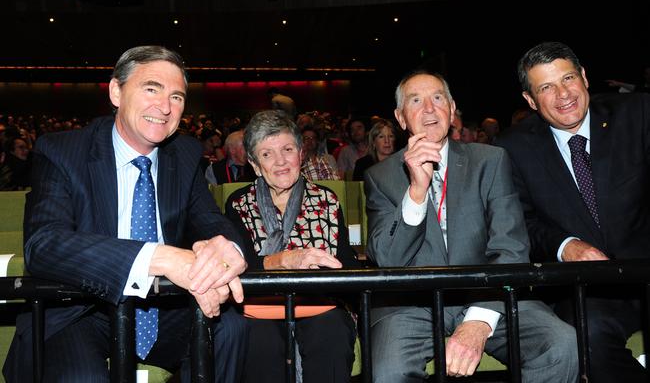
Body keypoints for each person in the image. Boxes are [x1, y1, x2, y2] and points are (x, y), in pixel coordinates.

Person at [3, 46, 248, 383]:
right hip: (83, 307)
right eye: (151, 89)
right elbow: (45, 244)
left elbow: (212, 222)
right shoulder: (61, 150)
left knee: (231, 327)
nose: (164, 108)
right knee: (82, 377)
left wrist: (226, 252)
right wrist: (158, 258)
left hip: (165, 308)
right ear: (116, 91)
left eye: (177, 97)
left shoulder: (186, 154)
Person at [365, 69, 578, 382]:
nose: (428, 108)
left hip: (489, 291)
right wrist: (416, 192)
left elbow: (511, 246)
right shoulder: (380, 176)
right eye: (416, 100)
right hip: (412, 304)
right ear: (400, 117)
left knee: (560, 344)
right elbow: (387, 260)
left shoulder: (490, 161)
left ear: (451, 110)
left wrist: (479, 321)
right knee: (388, 371)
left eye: (438, 98)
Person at [496, 41, 650, 383]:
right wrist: (566, 245)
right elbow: (522, 223)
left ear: (584, 77)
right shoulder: (513, 148)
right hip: (585, 290)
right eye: (546, 87)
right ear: (530, 100)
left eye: (568, 78)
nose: (563, 94)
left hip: (646, 267)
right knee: (586, 339)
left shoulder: (637, 114)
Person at [224, 110, 358, 383]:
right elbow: (241, 264)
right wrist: (285, 260)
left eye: (287, 149)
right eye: (267, 154)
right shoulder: (239, 203)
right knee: (260, 341)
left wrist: (337, 269)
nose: (281, 161)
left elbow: (346, 263)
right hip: (260, 305)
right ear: (255, 164)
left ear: (300, 153)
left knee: (331, 332)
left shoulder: (326, 199)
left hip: (319, 303)